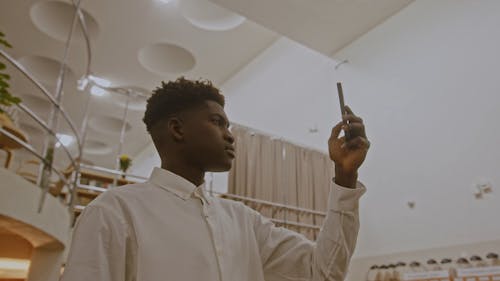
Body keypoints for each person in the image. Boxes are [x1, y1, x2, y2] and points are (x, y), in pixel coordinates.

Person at [61, 77, 370, 281]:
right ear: (177, 129)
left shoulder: (243, 221)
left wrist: (345, 176)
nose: (230, 136)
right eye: (217, 122)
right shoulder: (115, 211)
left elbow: (323, 272)